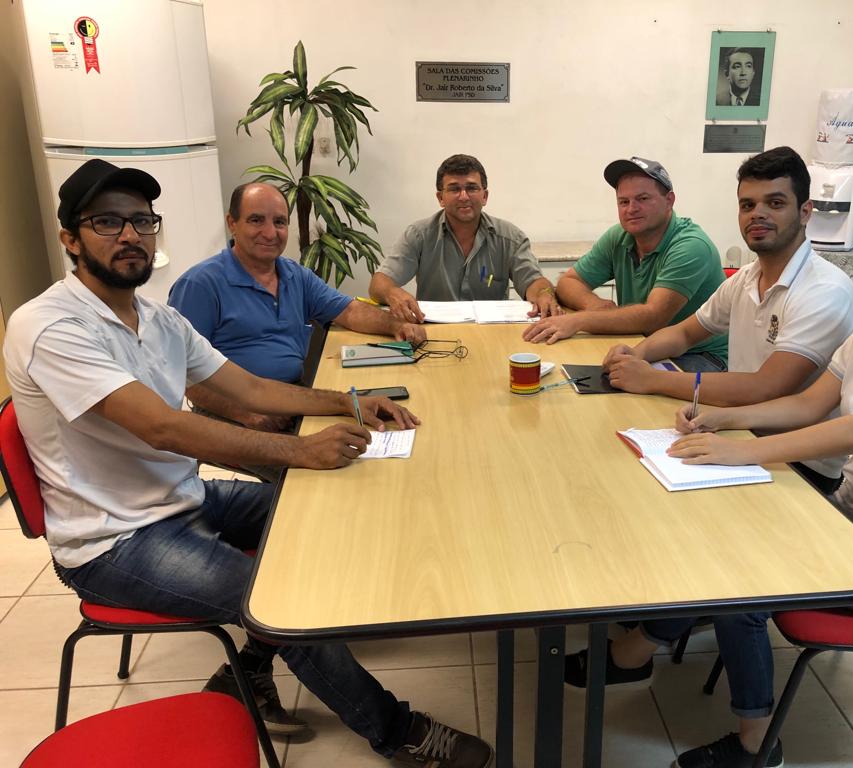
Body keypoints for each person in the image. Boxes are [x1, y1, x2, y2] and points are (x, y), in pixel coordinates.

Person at [2, 159, 493, 768]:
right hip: (115, 539)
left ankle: (245, 677)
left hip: (183, 499)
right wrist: (301, 450)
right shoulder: (50, 326)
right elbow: (164, 427)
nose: (130, 235)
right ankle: (398, 732)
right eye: (107, 222)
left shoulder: (156, 318)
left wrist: (351, 402)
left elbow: (252, 387)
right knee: (281, 601)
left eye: (142, 222)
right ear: (71, 239)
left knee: (325, 516)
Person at [599, 196, 853, 768]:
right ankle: (638, 650)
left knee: (746, 577)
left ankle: (754, 743)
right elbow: (808, 404)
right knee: (722, 525)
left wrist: (741, 451)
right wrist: (720, 418)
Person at [602, 146, 853, 491]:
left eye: (775, 203)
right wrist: (635, 355)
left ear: (805, 212)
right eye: (747, 205)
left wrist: (651, 379)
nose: (758, 214)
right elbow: (684, 333)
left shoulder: (825, 290)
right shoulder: (746, 278)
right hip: (739, 432)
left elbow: (765, 387)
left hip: (799, 464)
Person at [168, 182, 426, 481]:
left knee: (377, 444)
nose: (270, 232)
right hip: (233, 415)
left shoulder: (293, 274)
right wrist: (246, 414)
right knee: (328, 479)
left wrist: (397, 325)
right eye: (256, 220)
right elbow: (185, 378)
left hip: (291, 398)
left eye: (279, 222)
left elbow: (349, 311)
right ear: (232, 223)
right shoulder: (200, 285)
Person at [524, 157, 729, 372]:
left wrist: (579, 321)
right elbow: (569, 281)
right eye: (623, 202)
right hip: (640, 344)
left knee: (614, 383)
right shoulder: (619, 236)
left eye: (642, 198)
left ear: (669, 201)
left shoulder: (691, 246)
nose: (631, 209)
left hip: (701, 356)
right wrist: (595, 305)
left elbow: (653, 317)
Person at [369, 153, 560, 321]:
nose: (463, 196)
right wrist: (392, 293)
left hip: (492, 333)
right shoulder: (419, 235)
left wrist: (544, 294)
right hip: (435, 333)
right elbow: (379, 283)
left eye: (472, 188)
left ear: (484, 196)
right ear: (440, 198)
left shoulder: (511, 238)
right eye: (454, 189)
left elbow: (534, 281)